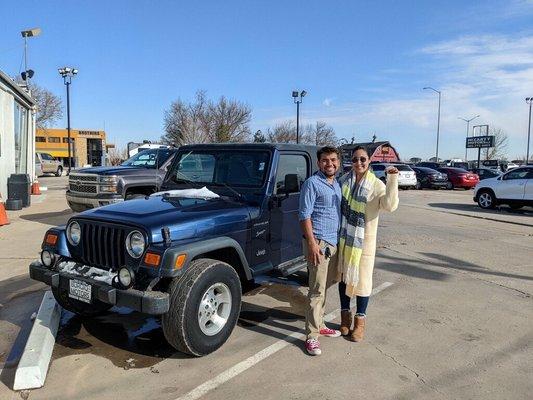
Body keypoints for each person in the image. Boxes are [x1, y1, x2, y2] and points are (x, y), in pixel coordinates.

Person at [337, 146, 399, 342]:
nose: (359, 163)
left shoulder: (376, 184)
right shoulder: (344, 181)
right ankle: (345, 317)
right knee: (344, 279)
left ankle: (360, 322)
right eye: (355, 159)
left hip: (364, 243)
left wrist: (392, 180)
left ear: (369, 161)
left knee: (362, 282)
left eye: (362, 159)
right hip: (344, 240)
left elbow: (390, 205)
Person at [299, 146, 342, 356]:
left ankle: (321, 323)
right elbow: (304, 215)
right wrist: (312, 244)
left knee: (326, 286)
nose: (330, 164)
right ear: (319, 163)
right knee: (316, 290)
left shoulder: (337, 184)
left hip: (334, 243)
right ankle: (312, 336)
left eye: (333, 160)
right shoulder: (312, 183)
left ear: (338, 162)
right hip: (319, 244)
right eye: (325, 160)